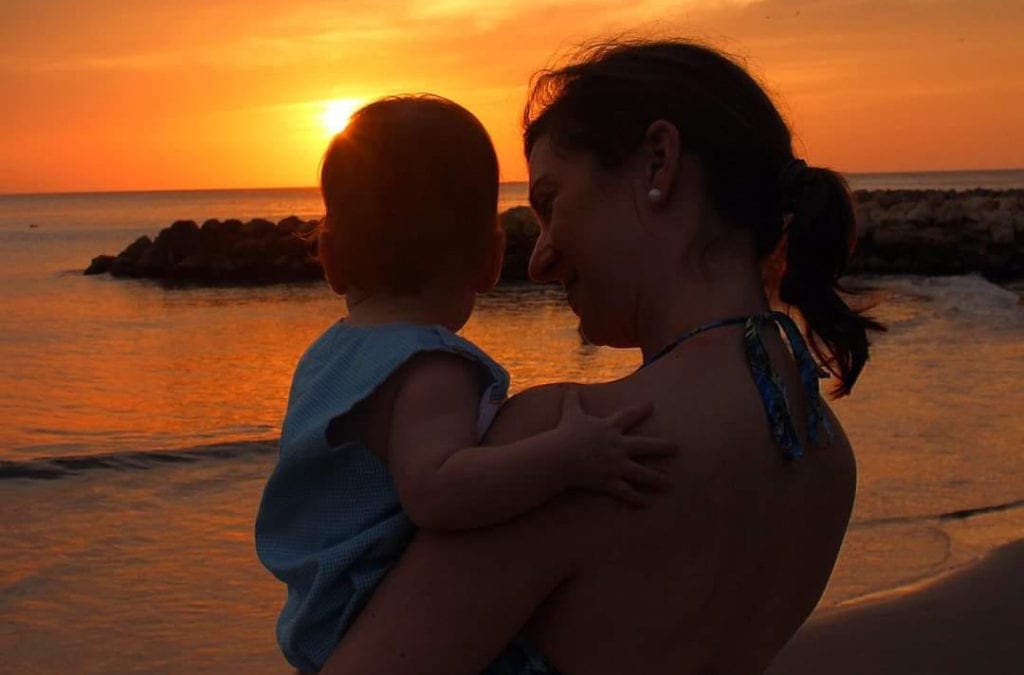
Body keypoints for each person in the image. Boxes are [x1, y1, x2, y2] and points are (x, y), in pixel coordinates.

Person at [319, 40, 883, 674]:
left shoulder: (567, 439)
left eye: (550, 204)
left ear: (658, 162)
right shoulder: (828, 459)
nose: (538, 261)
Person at [253, 95, 678, 673]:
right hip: (377, 612)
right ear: (491, 261)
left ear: (329, 258)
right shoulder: (432, 365)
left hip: (320, 615)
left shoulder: (326, 356)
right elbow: (438, 490)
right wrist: (570, 456)